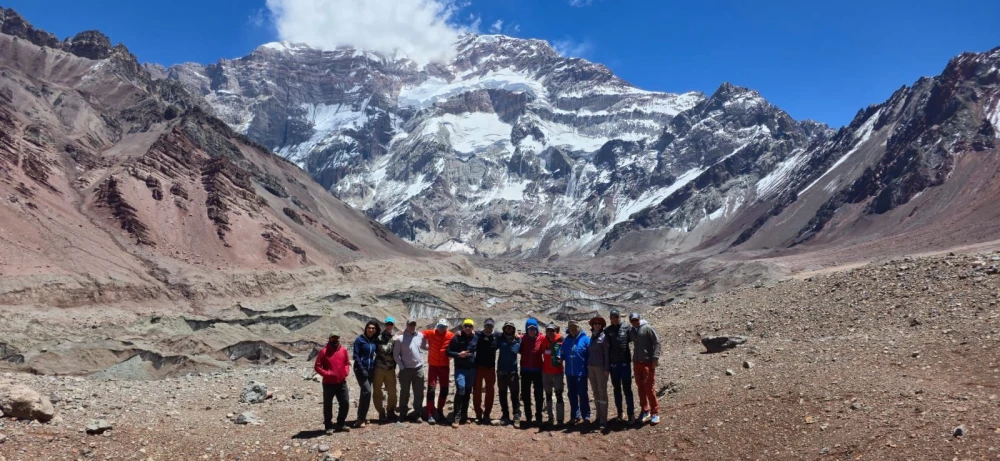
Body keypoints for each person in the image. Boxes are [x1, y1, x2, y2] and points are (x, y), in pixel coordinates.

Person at [314, 332, 351, 433]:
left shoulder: (343, 350)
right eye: (333, 337)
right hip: (328, 383)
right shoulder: (324, 351)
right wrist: (327, 374)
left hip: (342, 382)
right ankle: (328, 426)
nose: (335, 339)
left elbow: (347, 363)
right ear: (329, 338)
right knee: (328, 405)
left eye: (336, 337)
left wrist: (346, 372)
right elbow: (317, 366)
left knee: (345, 402)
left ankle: (340, 424)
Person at [629, 313, 662, 425]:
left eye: (636, 320)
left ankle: (655, 413)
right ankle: (645, 410)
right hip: (636, 362)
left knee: (649, 387)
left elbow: (657, 342)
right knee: (640, 387)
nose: (635, 322)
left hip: (647, 362)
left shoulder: (647, 328)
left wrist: (655, 357)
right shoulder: (632, 331)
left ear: (639, 319)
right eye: (632, 321)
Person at [605, 308, 635, 425]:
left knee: (627, 389)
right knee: (616, 389)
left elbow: (635, 339)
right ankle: (619, 413)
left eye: (616, 317)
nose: (614, 319)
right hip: (614, 365)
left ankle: (631, 414)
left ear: (619, 317)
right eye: (612, 317)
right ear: (610, 318)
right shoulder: (608, 330)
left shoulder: (627, 327)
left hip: (625, 364)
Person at [421, 319, 454, 425]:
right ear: (437, 326)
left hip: (444, 366)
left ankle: (440, 410)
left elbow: (459, 340)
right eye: (440, 326)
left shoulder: (450, 335)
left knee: (444, 389)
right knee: (431, 388)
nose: (441, 328)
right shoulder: (431, 333)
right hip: (433, 366)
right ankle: (429, 413)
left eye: (444, 327)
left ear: (446, 327)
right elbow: (419, 334)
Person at [447, 318, 479, 428]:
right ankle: (456, 415)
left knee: (467, 391)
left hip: (471, 369)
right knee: (461, 390)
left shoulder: (476, 337)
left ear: (473, 328)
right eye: (466, 326)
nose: (468, 328)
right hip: (460, 368)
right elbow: (448, 351)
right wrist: (458, 354)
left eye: (470, 326)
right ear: (463, 327)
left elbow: (486, 334)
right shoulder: (457, 337)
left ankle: (464, 415)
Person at [393, 318, 426, 423]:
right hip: (405, 370)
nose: (412, 326)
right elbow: (396, 355)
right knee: (404, 392)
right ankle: (403, 414)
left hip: (418, 368)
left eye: (413, 324)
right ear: (406, 325)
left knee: (419, 392)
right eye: (410, 324)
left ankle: (417, 414)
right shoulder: (400, 339)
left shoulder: (420, 335)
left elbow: (425, 346)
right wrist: (402, 367)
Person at [560, 319, 591, 426]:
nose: (573, 329)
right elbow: (562, 352)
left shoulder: (586, 340)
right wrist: (559, 357)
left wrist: (589, 371)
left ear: (578, 328)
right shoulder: (566, 340)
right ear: (568, 329)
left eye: (574, 327)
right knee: (572, 395)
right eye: (571, 327)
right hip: (569, 373)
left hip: (581, 373)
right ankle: (574, 415)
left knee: (583, 395)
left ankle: (586, 416)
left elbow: (589, 357)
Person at [352, 320, 379, 428]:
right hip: (360, 369)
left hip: (371, 369)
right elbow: (355, 355)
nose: (371, 329)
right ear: (366, 328)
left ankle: (362, 416)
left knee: (366, 393)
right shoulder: (359, 340)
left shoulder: (374, 341)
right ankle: (360, 419)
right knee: (367, 391)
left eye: (373, 328)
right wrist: (361, 368)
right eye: (369, 327)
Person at [473, 318, 500, 424]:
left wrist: (516, 334)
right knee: (477, 390)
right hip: (478, 366)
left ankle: (487, 414)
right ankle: (478, 414)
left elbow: (508, 335)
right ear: (484, 326)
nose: (488, 328)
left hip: (491, 368)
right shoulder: (478, 334)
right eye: (487, 326)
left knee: (490, 391)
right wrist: (459, 332)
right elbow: (467, 332)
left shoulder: (497, 335)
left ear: (493, 327)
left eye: (490, 326)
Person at [519, 318, 545, 426]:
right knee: (525, 395)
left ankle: (539, 417)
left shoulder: (542, 338)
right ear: (527, 329)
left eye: (534, 328)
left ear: (537, 329)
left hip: (538, 371)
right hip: (525, 370)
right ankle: (528, 417)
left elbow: (553, 338)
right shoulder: (522, 338)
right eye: (530, 329)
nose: (532, 330)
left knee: (538, 394)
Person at [372, 317, 398, 423]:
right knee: (377, 391)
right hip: (379, 368)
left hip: (391, 369)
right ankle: (381, 413)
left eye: (391, 324)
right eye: (387, 324)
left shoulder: (396, 338)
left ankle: (391, 411)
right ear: (384, 325)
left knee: (392, 392)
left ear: (393, 326)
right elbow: (382, 349)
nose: (389, 326)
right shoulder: (378, 337)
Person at [496, 321, 522, 427]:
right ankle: (505, 415)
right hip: (501, 371)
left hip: (512, 372)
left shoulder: (518, 340)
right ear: (504, 329)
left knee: (515, 394)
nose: (509, 330)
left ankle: (516, 416)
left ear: (514, 330)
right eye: (507, 328)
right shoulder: (500, 339)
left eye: (511, 328)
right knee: (502, 394)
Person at [587, 315, 611, 431]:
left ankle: (603, 419)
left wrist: (607, 369)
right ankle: (597, 416)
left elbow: (607, 354)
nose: (597, 325)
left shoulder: (604, 337)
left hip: (601, 368)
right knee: (595, 393)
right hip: (591, 368)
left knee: (602, 393)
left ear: (601, 326)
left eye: (599, 324)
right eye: (595, 323)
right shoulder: (593, 336)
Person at [540, 322, 565, 427]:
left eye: (552, 330)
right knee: (548, 394)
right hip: (546, 372)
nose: (550, 332)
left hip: (557, 372)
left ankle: (560, 420)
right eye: (548, 330)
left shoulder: (560, 340)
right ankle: (551, 417)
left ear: (556, 331)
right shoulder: (544, 341)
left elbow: (565, 353)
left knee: (559, 395)